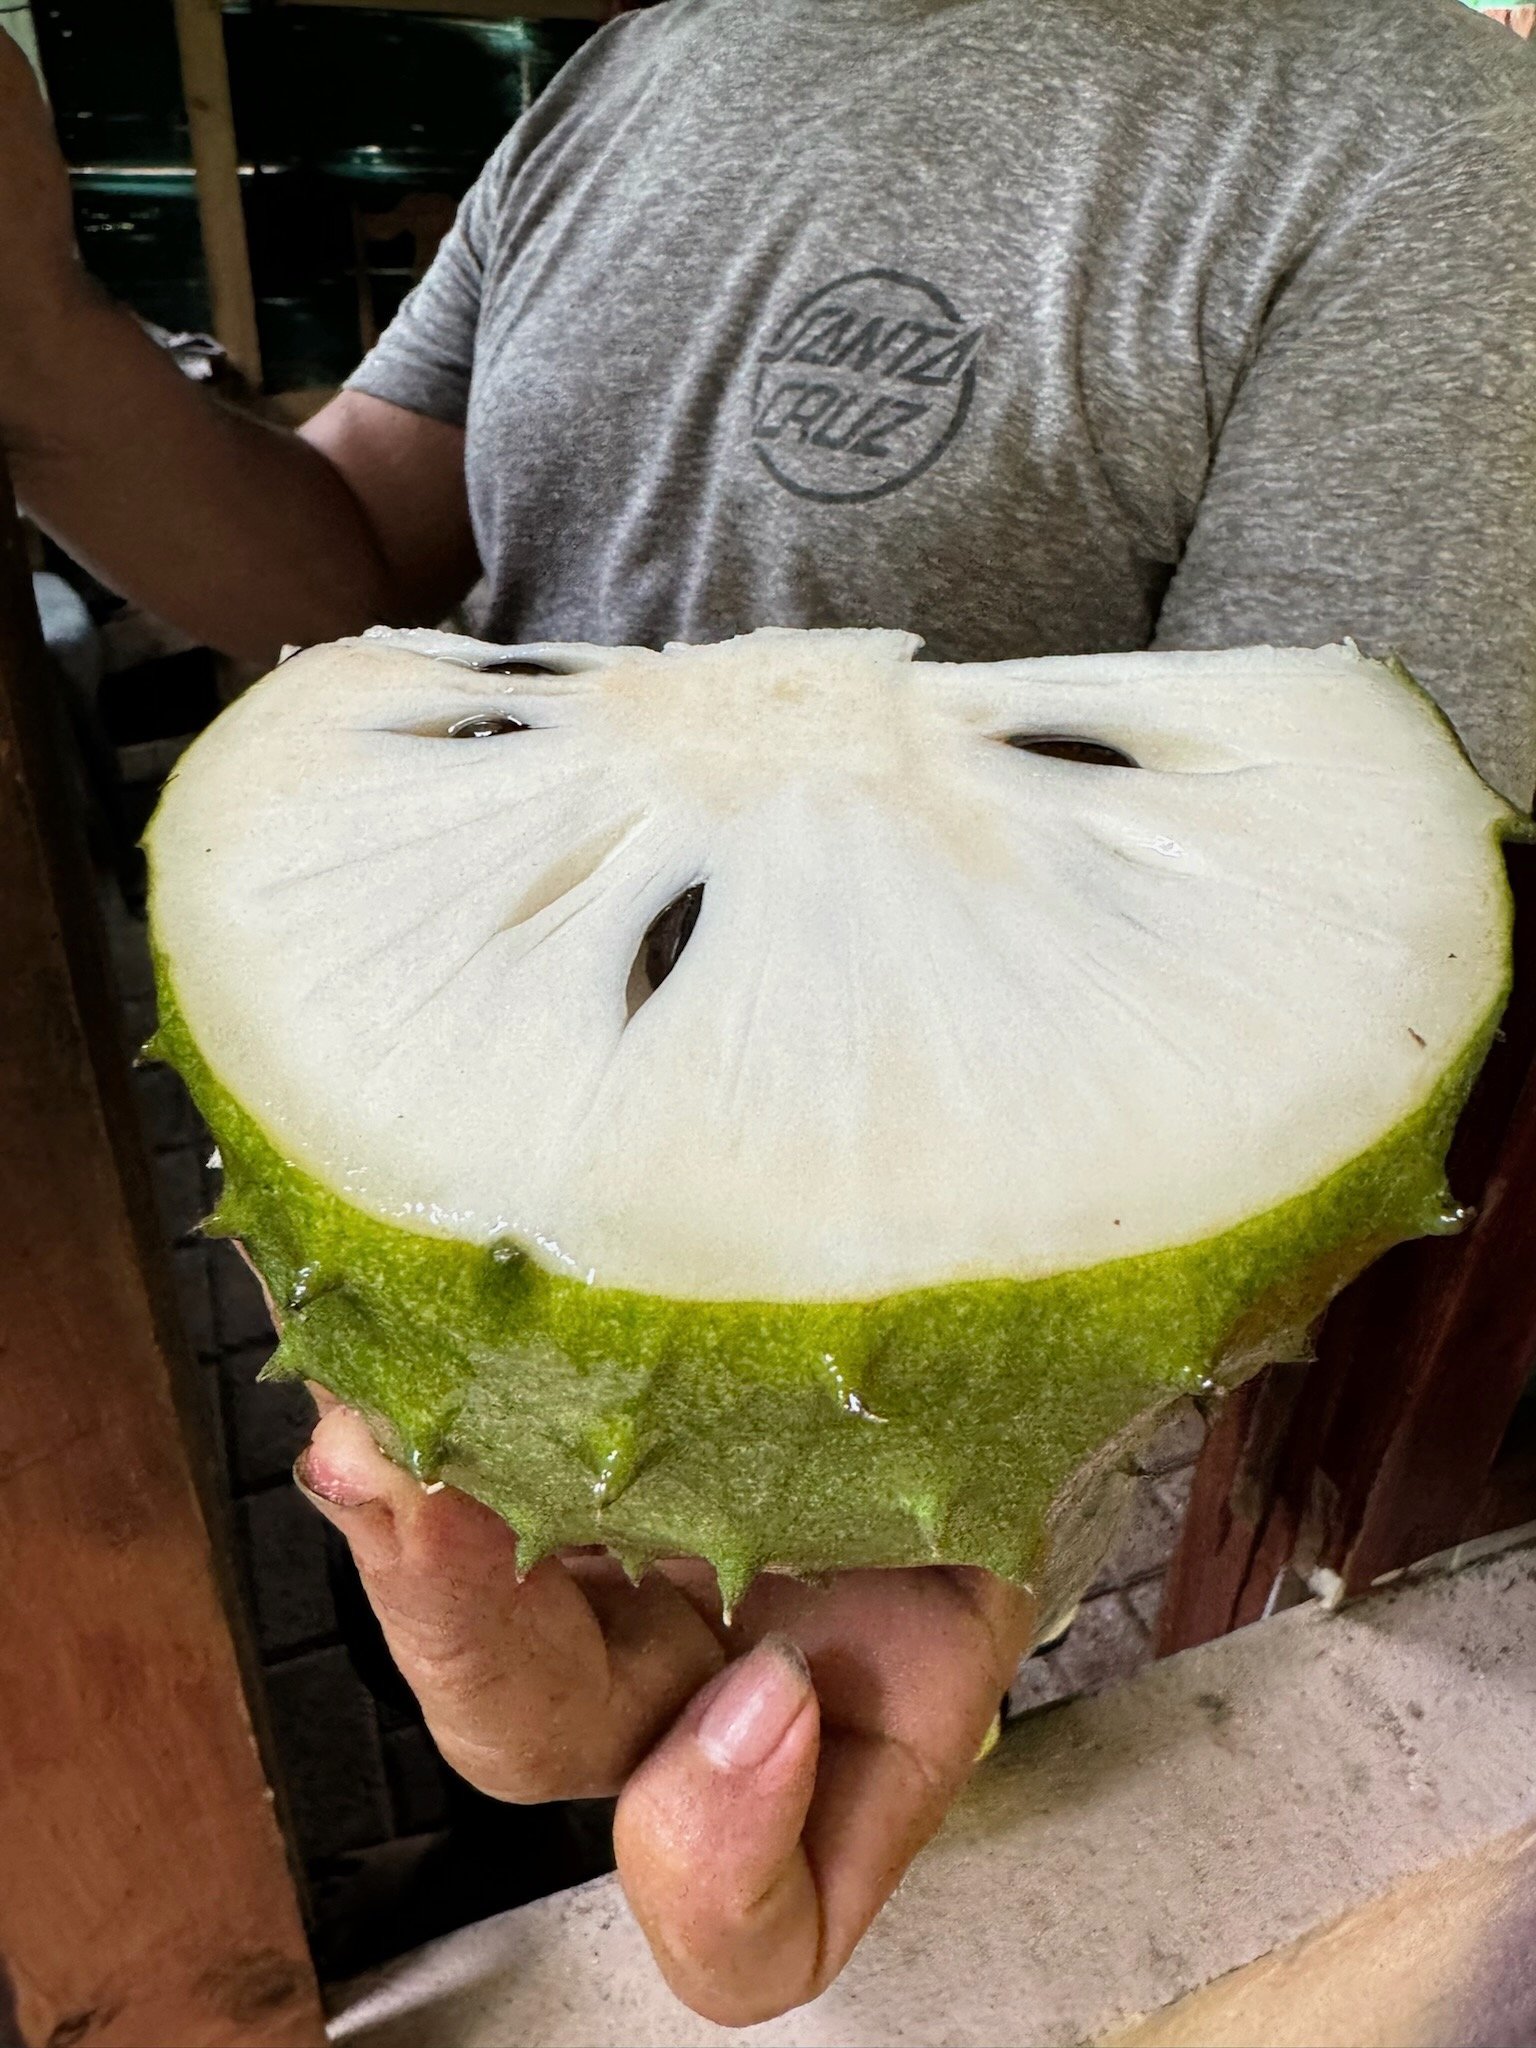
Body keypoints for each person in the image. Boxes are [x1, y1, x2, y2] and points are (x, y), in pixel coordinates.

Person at [4, 0, 1535, 2023]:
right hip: (467, 1325)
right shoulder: (637, 65)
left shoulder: (1425, 140)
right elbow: (345, 555)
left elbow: (1302, 938)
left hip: (929, 1461)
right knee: (490, 1725)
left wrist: (934, 1494)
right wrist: (39, 341)